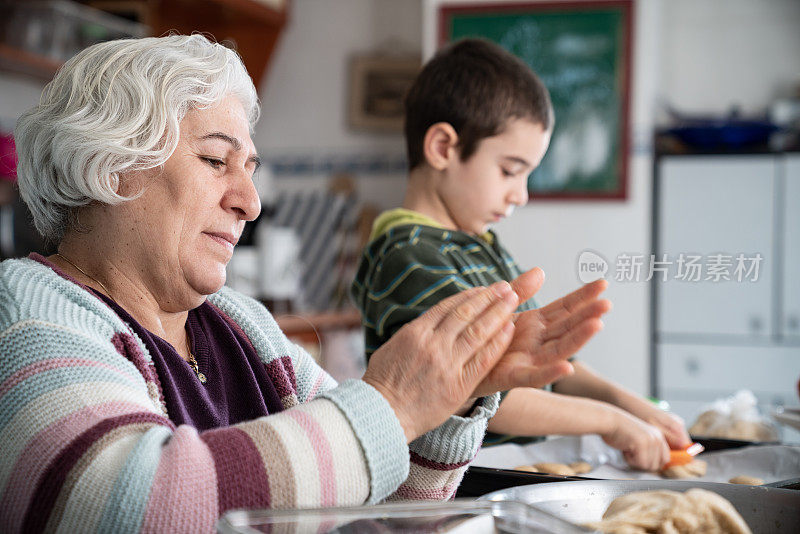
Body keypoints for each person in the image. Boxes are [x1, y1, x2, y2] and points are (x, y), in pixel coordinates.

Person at [0, 34, 610, 532]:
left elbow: (391, 498)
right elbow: (136, 509)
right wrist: (392, 405)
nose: (251, 202)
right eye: (216, 160)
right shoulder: (29, 317)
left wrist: (455, 398)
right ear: (108, 166)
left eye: (251, 169)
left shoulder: (242, 325)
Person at [351, 38, 691, 472]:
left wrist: (631, 405)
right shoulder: (410, 257)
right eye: (510, 170)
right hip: (450, 484)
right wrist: (612, 422)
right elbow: (480, 394)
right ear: (442, 148)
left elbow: (544, 366)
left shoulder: (479, 244)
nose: (521, 194)